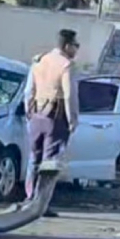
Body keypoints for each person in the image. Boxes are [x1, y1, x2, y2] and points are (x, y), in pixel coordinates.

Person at [23, 29, 81, 204]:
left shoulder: (39, 60)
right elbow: (70, 95)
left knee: (34, 157)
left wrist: (29, 113)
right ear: (67, 45)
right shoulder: (66, 65)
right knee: (50, 161)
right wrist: (72, 120)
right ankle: (41, 202)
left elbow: (28, 91)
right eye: (76, 46)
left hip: (36, 115)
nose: (77, 50)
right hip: (56, 117)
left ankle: (29, 197)